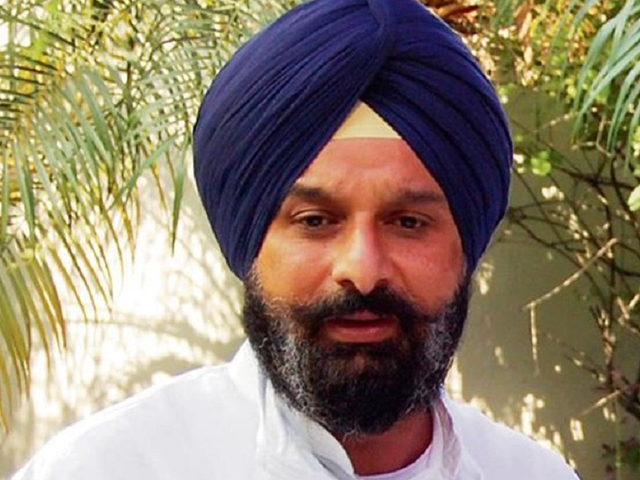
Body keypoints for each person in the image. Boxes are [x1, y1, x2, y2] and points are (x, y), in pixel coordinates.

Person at [12, 0, 581, 478]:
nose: (363, 269)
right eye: (314, 220)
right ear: (250, 241)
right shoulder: (107, 467)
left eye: (408, 222)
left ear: (465, 248)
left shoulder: (532, 474)